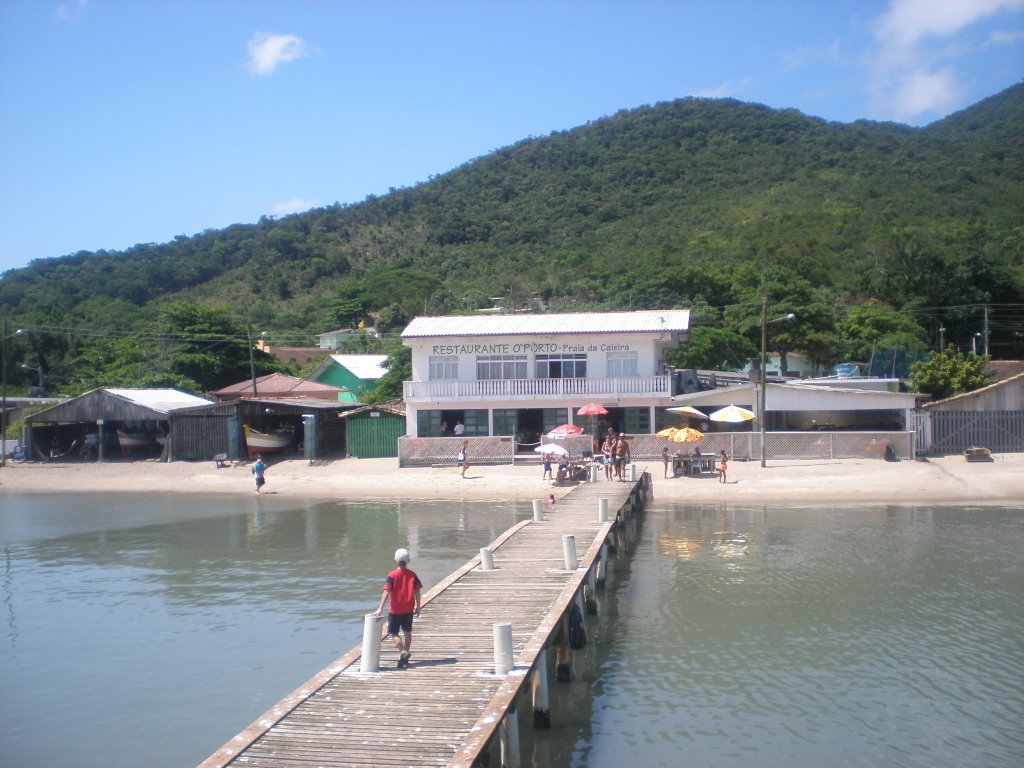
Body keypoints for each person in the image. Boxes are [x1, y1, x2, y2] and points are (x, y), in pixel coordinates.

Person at [372, 547, 422, 669]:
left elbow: (386, 591)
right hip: (408, 609)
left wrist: (380, 607)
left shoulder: (392, 575)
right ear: (408, 561)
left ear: (395, 561)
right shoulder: (412, 575)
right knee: (407, 632)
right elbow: (417, 592)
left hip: (395, 610)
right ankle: (405, 655)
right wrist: (418, 606)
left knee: (393, 633)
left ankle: (403, 651)